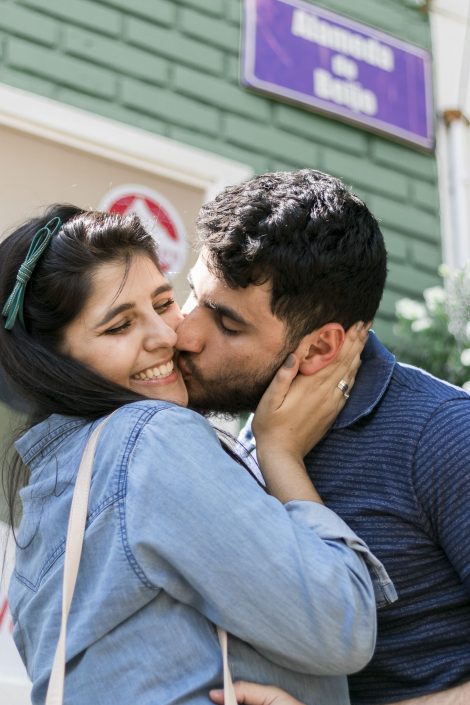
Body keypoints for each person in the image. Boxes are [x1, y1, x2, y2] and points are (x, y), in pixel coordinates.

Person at [0, 205, 392, 705]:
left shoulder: (49, 492)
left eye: (164, 303)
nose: (168, 336)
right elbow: (340, 625)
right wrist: (280, 453)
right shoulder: (150, 440)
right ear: (52, 362)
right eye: (119, 327)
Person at [175, 169, 470, 705]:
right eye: (192, 294)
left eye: (227, 323)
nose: (184, 331)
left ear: (318, 349)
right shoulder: (253, 435)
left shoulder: (446, 436)